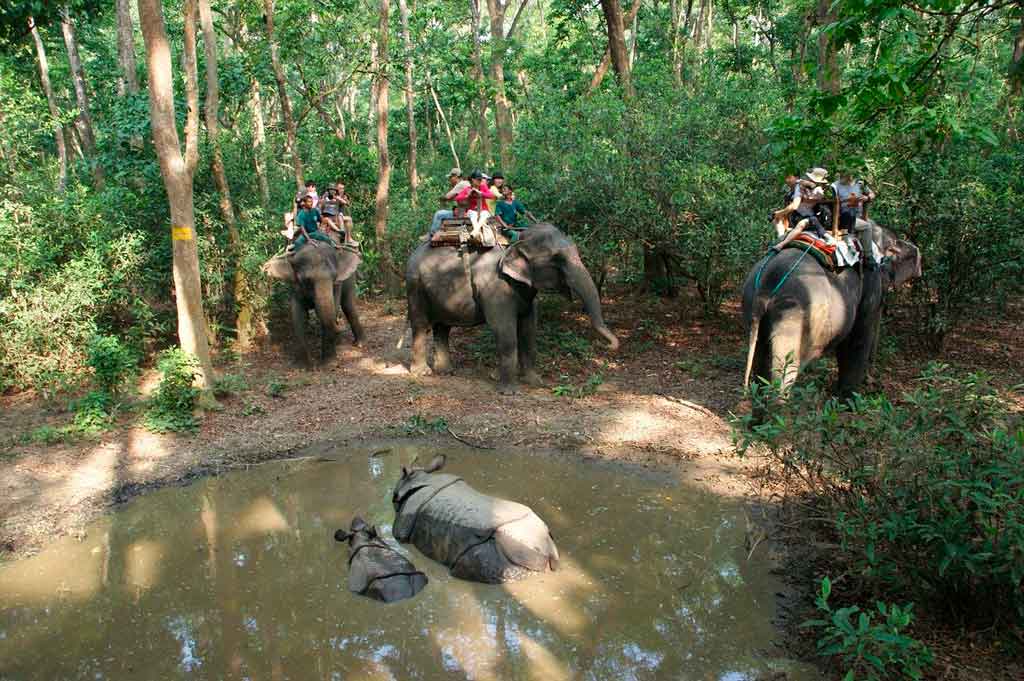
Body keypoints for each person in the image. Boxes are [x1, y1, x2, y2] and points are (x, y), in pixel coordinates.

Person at [771, 168, 828, 252]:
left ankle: (782, 244)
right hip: (796, 215)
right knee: (775, 218)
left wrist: (779, 213)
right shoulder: (799, 186)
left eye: (790, 177)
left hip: (809, 217)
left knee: (801, 224)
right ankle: (781, 237)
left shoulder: (818, 191)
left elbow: (795, 206)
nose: (787, 180)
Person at [455, 170, 496, 238]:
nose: (480, 181)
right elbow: (457, 198)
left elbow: (491, 196)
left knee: (484, 215)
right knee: (473, 215)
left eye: (481, 180)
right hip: (472, 210)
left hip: (483, 210)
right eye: (478, 180)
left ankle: (475, 231)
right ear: (473, 180)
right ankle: (477, 231)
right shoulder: (468, 189)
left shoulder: (483, 187)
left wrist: (481, 193)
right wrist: (467, 195)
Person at [429, 168, 471, 233]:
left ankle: (432, 234)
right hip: (465, 212)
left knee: (439, 214)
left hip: (462, 214)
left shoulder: (461, 184)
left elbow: (447, 197)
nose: (450, 179)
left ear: (456, 176)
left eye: (451, 177)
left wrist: (440, 198)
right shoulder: (466, 183)